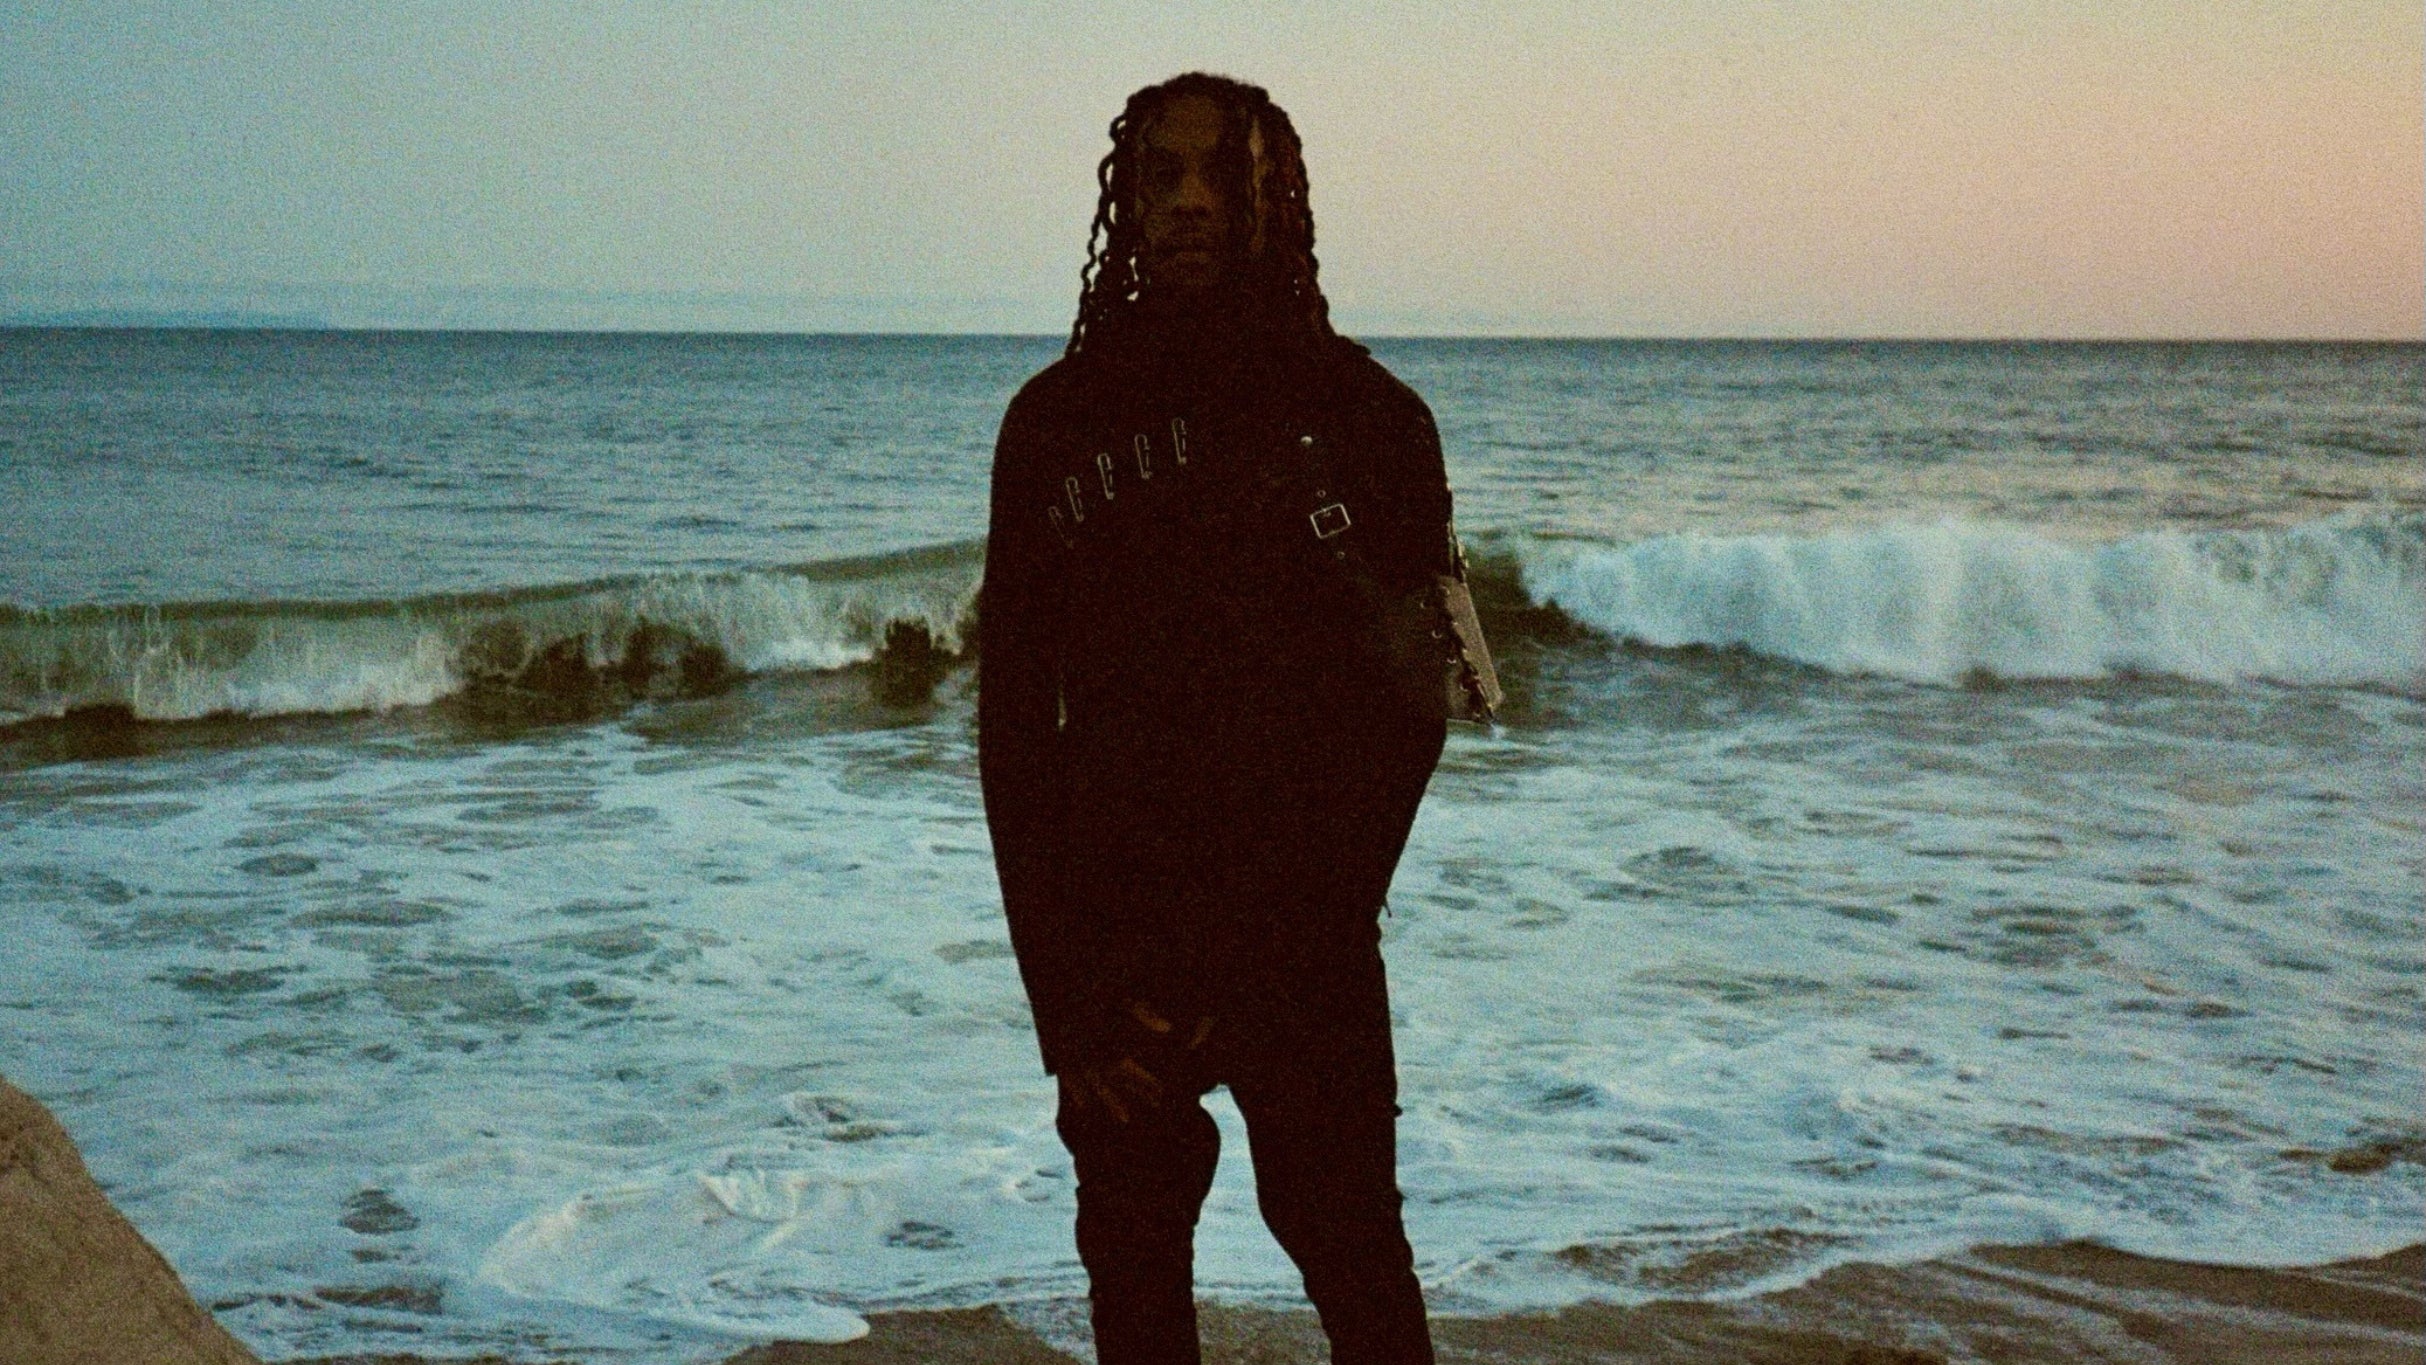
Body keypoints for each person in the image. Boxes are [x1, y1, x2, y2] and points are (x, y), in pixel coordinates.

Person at [979, 71, 1456, 1365]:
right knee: (1134, 1282)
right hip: (1117, 957)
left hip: (1303, 942)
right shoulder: (1054, 426)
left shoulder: (1369, 422)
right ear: (1125, 206)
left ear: (1273, 199)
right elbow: (1015, 732)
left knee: (1353, 1257)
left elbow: (1408, 720)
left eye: (1219, 175)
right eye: (1160, 177)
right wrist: (1069, 1008)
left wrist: (1270, 951)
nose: (1187, 201)